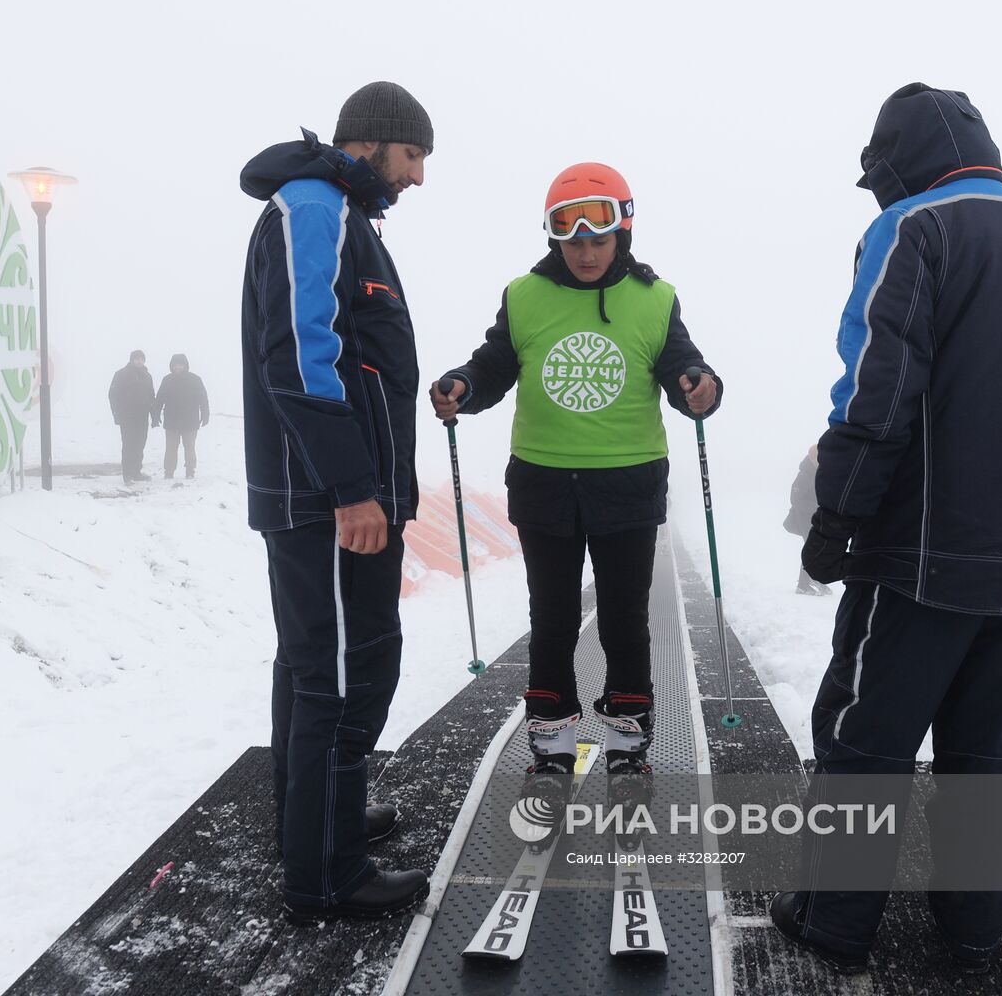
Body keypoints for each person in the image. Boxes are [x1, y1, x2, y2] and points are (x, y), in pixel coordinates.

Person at [771, 83, 1002, 976]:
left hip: (922, 556)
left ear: (895, 167)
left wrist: (838, 512)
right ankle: (974, 925)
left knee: (865, 736)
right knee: (987, 751)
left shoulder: (915, 228)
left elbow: (876, 386)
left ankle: (832, 921)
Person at [431, 162, 721, 807]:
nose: (586, 252)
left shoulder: (656, 297)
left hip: (628, 483)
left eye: (599, 238)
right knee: (554, 616)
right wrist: (464, 387)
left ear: (622, 234)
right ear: (555, 239)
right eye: (573, 240)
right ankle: (552, 742)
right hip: (543, 482)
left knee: (624, 618)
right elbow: (494, 364)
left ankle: (628, 738)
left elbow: (681, 364)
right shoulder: (524, 294)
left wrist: (701, 384)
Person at [240, 81, 433, 924]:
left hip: (336, 492)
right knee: (345, 671)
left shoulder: (345, 214)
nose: (419, 176)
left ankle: (315, 823)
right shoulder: (314, 207)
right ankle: (327, 872)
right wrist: (352, 488)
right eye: (414, 155)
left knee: (316, 666)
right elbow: (303, 354)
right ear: (375, 142)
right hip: (328, 498)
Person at [152, 354, 210, 479]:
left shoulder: (195, 379)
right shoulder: (167, 380)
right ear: (171, 366)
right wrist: (155, 415)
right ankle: (169, 472)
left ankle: (190, 471)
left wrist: (205, 414)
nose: (178, 367)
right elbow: (160, 398)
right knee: (171, 449)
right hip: (172, 421)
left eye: (180, 364)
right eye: (175, 365)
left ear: (185, 365)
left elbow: (203, 398)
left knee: (189, 448)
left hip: (190, 421)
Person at [782, 445, 830, 595]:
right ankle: (803, 586)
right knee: (812, 549)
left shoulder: (818, 471)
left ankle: (814, 580)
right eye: (818, 457)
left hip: (815, 518)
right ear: (811, 457)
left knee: (817, 548)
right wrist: (817, 506)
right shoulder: (803, 475)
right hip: (802, 519)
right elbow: (795, 500)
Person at [109, 349, 155, 483]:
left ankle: (136, 472)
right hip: (127, 416)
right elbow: (112, 395)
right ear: (131, 360)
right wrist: (117, 414)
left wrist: (154, 414)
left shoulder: (147, 376)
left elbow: (151, 396)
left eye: (141, 358)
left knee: (140, 444)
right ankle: (127, 474)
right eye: (136, 358)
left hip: (142, 416)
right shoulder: (121, 374)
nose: (139, 361)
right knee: (129, 444)